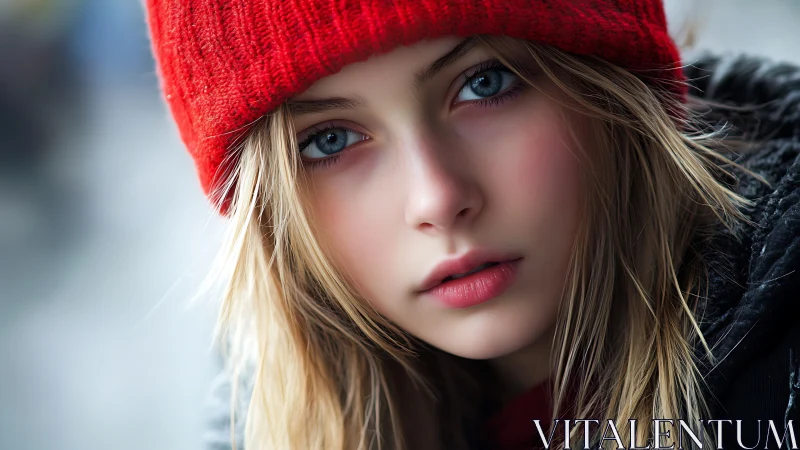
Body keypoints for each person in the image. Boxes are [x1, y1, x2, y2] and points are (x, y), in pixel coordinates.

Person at [144, 1, 800, 449]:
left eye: (485, 83)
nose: (436, 199)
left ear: (613, 85)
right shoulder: (266, 420)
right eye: (329, 140)